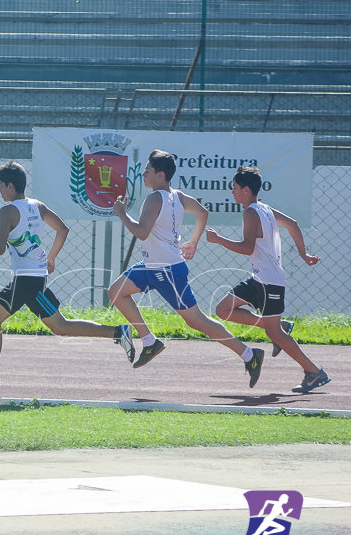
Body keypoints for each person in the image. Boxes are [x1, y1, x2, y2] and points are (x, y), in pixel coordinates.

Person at [0, 161, 133, 392]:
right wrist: (50, 258)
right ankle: (119, 332)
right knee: (60, 326)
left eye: (1, 185)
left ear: (10, 186)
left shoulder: (8, 211)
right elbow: (63, 229)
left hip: (25, 280)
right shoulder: (37, 205)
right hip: (34, 278)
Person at [109, 149, 265, 386]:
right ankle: (149, 341)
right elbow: (203, 212)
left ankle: (249, 355)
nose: (143, 173)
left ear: (160, 175)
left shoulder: (155, 198)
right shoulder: (178, 196)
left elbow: (141, 232)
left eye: (148, 170)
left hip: (167, 270)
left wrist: (122, 214)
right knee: (116, 291)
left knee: (196, 321)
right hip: (153, 265)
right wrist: (192, 241)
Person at [206, 165, 329, 394]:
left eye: (234, 188)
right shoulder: (264, 209)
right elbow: (292, 223)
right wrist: (303, 254)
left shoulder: (251, 212)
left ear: (246, 189)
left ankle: (314, 372)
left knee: (274, 334)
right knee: (223, 310)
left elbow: (247, 247)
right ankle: (279, 326)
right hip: (258, 279)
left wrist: (218, 239)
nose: (232, 192)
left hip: (270, 282)